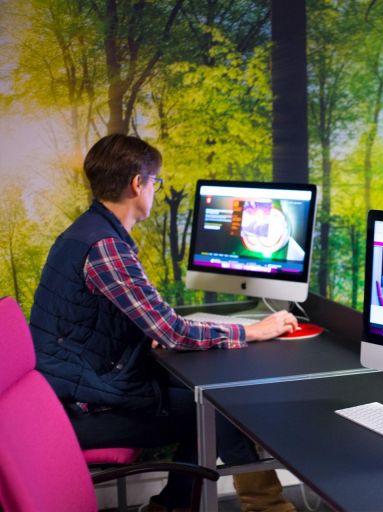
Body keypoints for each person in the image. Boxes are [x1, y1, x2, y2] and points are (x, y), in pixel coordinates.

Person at [29, 134, 298, 512]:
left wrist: (152, 331)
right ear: (137, 183)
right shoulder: (106, 247)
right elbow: (171, 331)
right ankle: (264, 506)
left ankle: (178, 506)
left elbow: (134, 319)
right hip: (83, 409)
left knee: (208, 400)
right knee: (214, 409)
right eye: (155, 181)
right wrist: (252, 331)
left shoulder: (88, 231)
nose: (155, 189)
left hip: (78, 390)